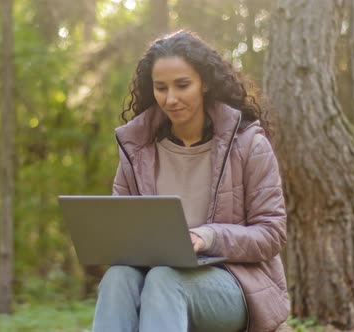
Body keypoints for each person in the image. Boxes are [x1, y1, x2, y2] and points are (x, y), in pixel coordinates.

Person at [92, 30, 289, 332]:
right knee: (118, 276)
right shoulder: (137, 149)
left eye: (182, 85)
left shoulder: (249, 144)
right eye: (161, 88)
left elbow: (271, 233)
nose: (170, 99)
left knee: (164, 280)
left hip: (236, 285)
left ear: (205, 83)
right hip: (156, 275)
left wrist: (207, 237)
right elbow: (124, 231)